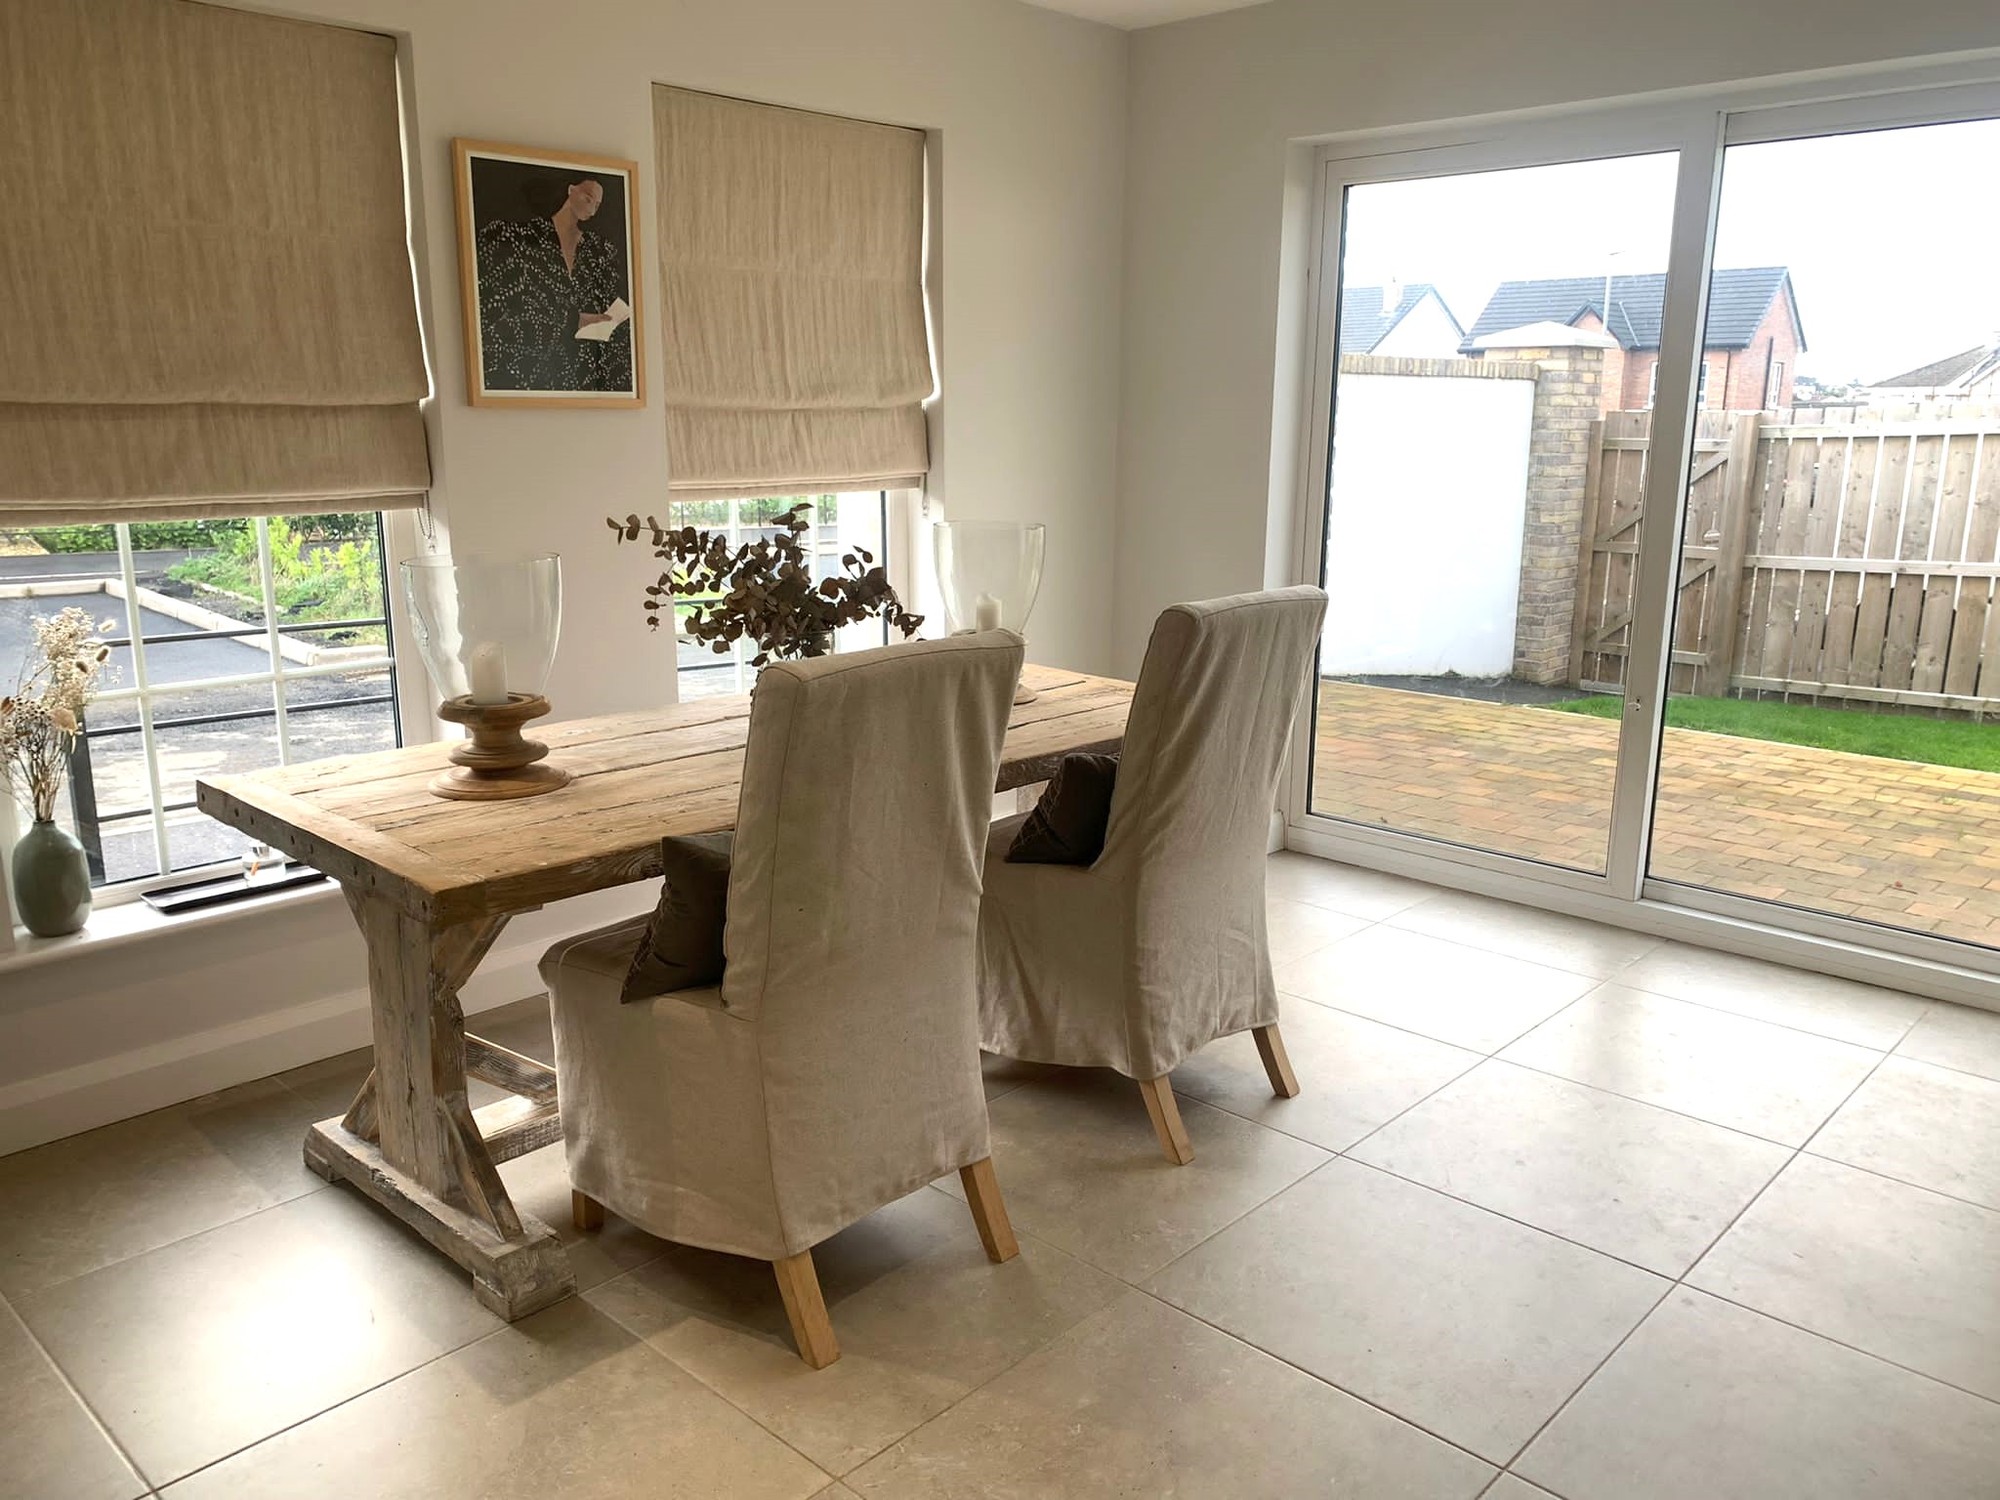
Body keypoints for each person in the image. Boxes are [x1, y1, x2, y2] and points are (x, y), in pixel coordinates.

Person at [474, 176, 631, 393]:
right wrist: (574, 320)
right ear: (571, 190)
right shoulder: (516, 239)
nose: (592, 210)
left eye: (597, 205)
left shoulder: (599, 251)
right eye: (588, 199)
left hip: (585, 384)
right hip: (523, 379)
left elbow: (615, 316)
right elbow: (493, 311)